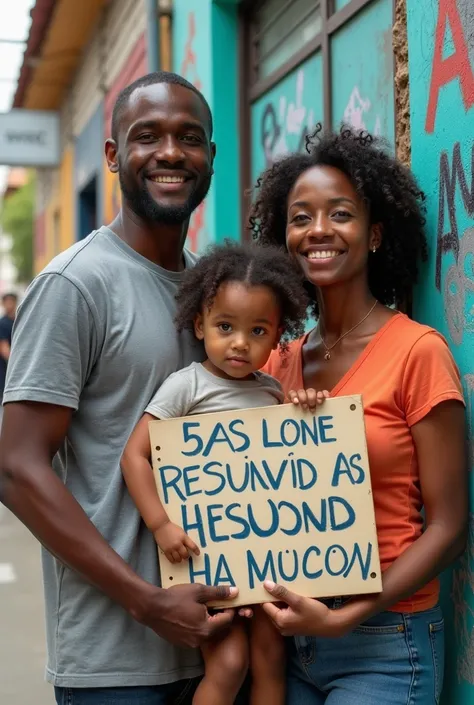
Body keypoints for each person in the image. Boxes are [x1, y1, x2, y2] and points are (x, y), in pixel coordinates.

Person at [0, 72, 241, 705]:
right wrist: (147, 602)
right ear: (112, 156)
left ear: (210, 158)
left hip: (219, 646)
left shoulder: (212, 298)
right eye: (147, 136)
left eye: (189, 137)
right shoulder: (76, 285)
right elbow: (17, 469)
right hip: (116, 664)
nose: (169, 152)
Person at [249, 125, 468, 705]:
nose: (318, 230)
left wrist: (347, 618)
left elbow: (448, 527)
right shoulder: (275, 362)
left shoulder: (417, 352)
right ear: (283, 236)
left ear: (373, 235)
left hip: (387, 641)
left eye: (339, 214)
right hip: (287, 645)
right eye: (301, 217)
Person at [122, 241, 313, 705]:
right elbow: (135, 456)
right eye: (225, 327)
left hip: (267, 560)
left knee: (270, 660)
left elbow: (301, 458)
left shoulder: (271, 391)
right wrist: (161, 524)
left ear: (277, 336)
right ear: (199, 324)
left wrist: (306, 407)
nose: (240, 343)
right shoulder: (187, 385)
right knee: (229, 665)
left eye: (258, 331)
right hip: (208, 560)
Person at [0, 292, 18, 405]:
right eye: (7, 302)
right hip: (6, 368)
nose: (9, 304)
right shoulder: (2, 323)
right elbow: (4, 348)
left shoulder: (19, 321)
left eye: (11, 302)